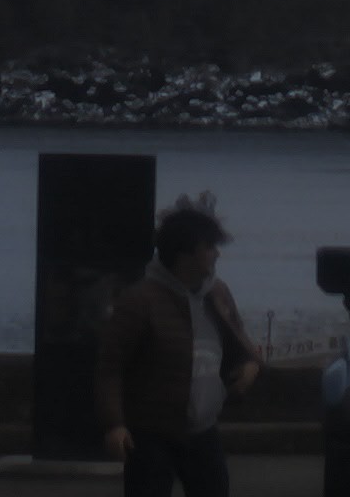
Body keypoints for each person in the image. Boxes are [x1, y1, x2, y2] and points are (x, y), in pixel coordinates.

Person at [97, 194, 263, 497]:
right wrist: (115, 425)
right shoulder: (139, 301)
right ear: (185, 255)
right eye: (209, 247)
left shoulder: (217, 294)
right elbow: (110, 368)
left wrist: (250, 366)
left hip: (204, 431)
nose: (216, 254)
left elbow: (239, 343)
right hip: (150, 435)